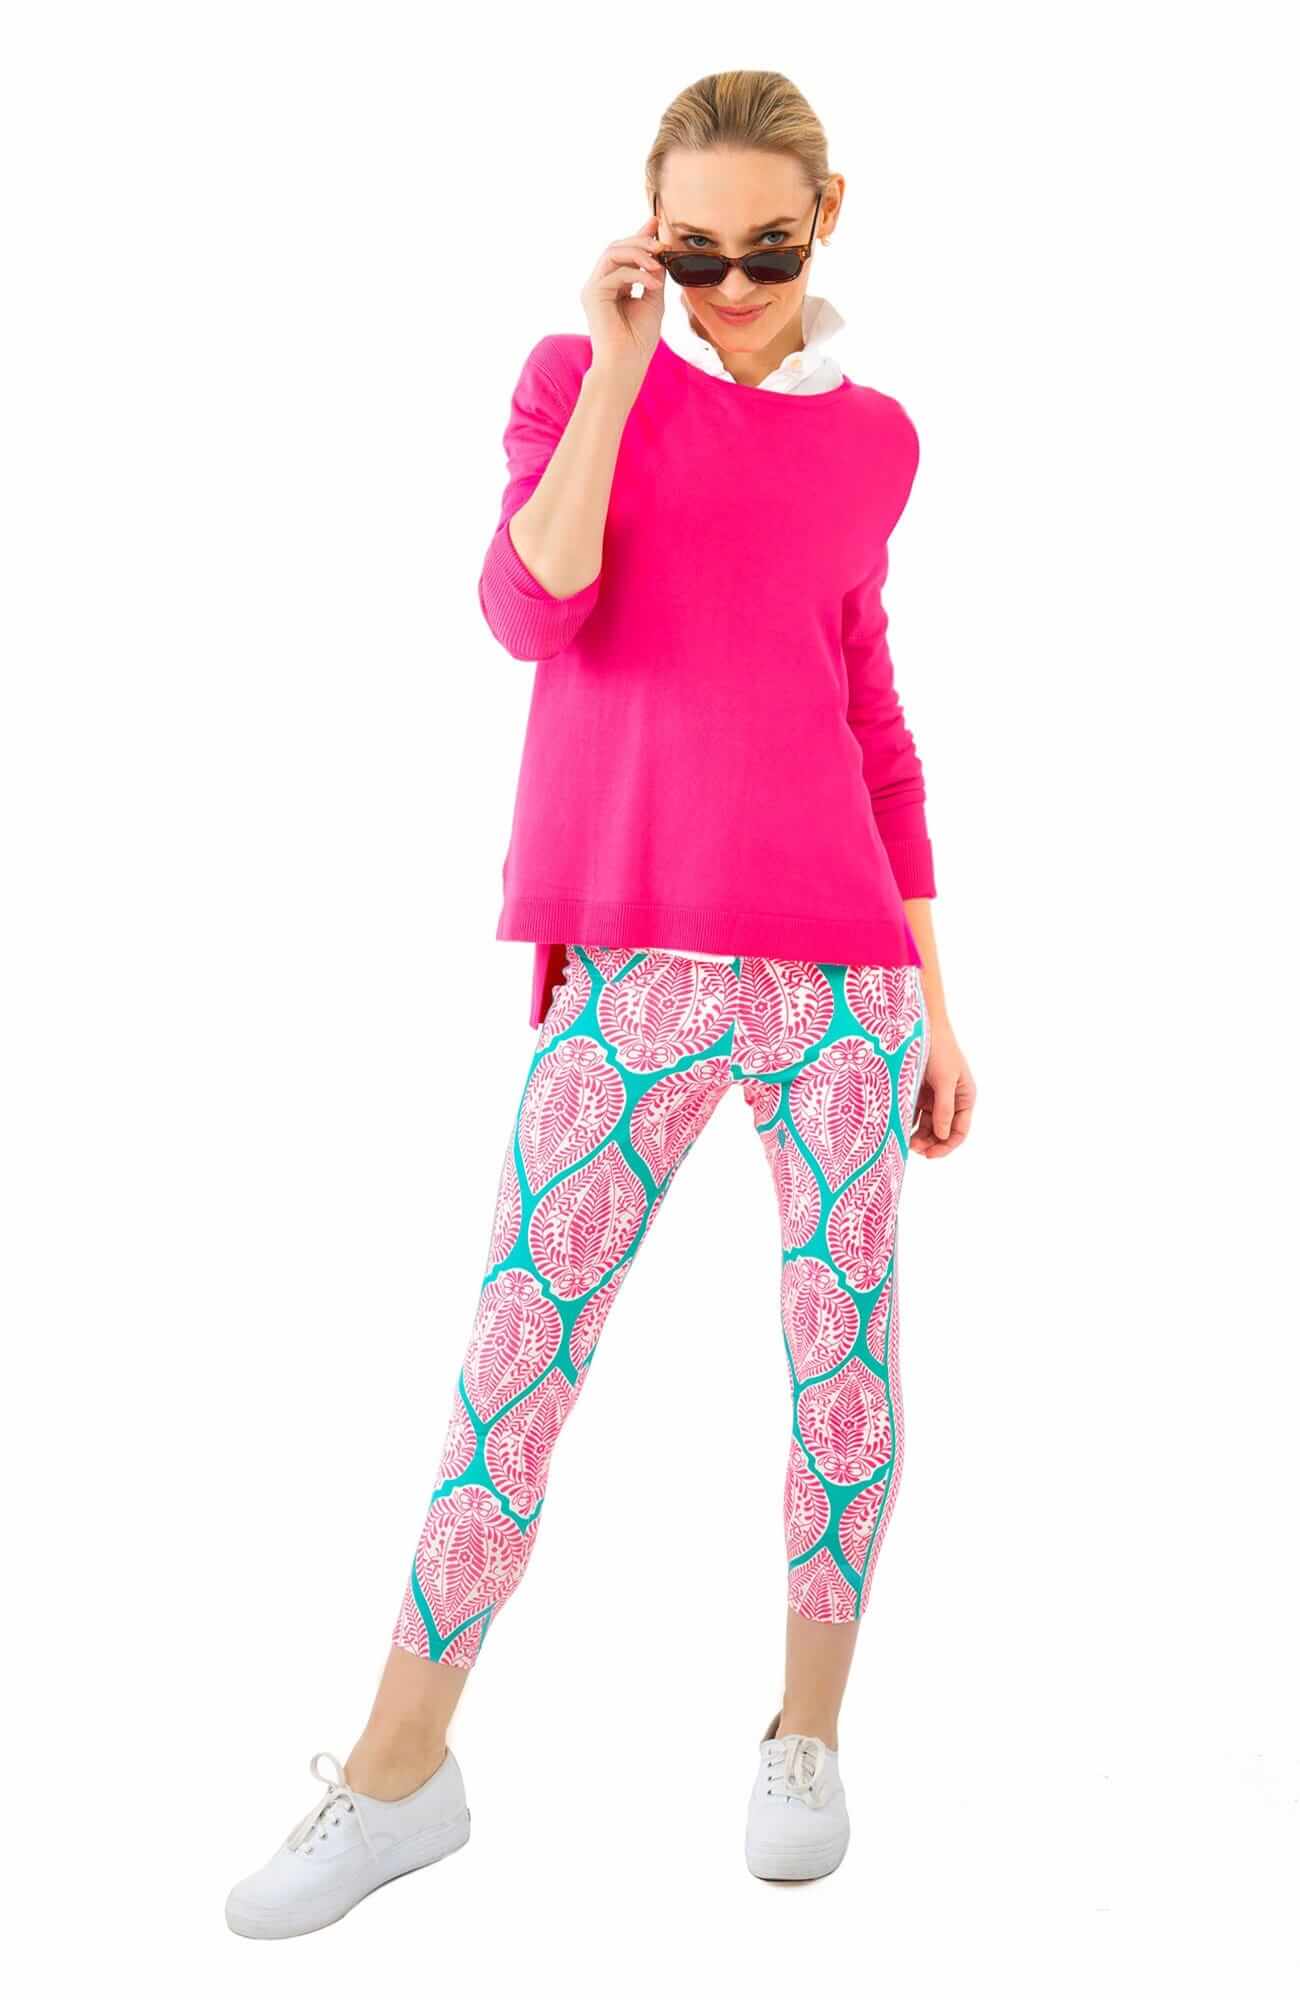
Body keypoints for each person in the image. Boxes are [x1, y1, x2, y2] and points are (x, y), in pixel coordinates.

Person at [225, 67, 976, 1940]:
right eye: (693, 251)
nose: (733, 286)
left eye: (767, 249)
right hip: (633, 961)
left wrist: (941, 1002)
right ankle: (399, 1771)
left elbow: (872, 719)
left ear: (829, 218)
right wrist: (627, 363)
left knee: (844, 1360)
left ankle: (807, 1738)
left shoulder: (876, 440)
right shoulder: (582, 383)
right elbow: (530, 605)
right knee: (517, 1361)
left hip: (841, 982)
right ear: (652, 238)